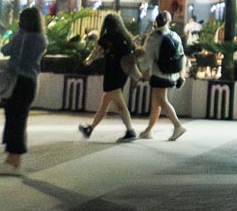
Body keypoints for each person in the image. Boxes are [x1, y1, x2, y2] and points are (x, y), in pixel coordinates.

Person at [0, 7, 45, 175]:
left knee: (12, 119)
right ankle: (15, 161)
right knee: (20, 119)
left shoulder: (22, 37)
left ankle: (11, 160)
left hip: (18, 81)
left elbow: (5, 50)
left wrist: (14, 34)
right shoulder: (41, 38)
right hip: (31, 82)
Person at [79, 12, 139, 142]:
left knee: (120, 105)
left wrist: (88, 61)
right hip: (122, 74)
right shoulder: (126, 38)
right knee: (105, 104)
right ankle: (90, 129)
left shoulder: (106, 39)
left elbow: (96, 53)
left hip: (111, 74)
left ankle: (130, 131)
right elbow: (132, 57)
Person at [140, 12, 188, 142]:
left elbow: (147, 59)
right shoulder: (175, 35)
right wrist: (181, 75)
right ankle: (149, 130)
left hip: (158, 73)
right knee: (157, 101)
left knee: (161, 100)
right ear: (169, 21)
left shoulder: (153, 37)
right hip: (172, 74)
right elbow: (181, 56)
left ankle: (177, 125)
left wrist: (144, 72)